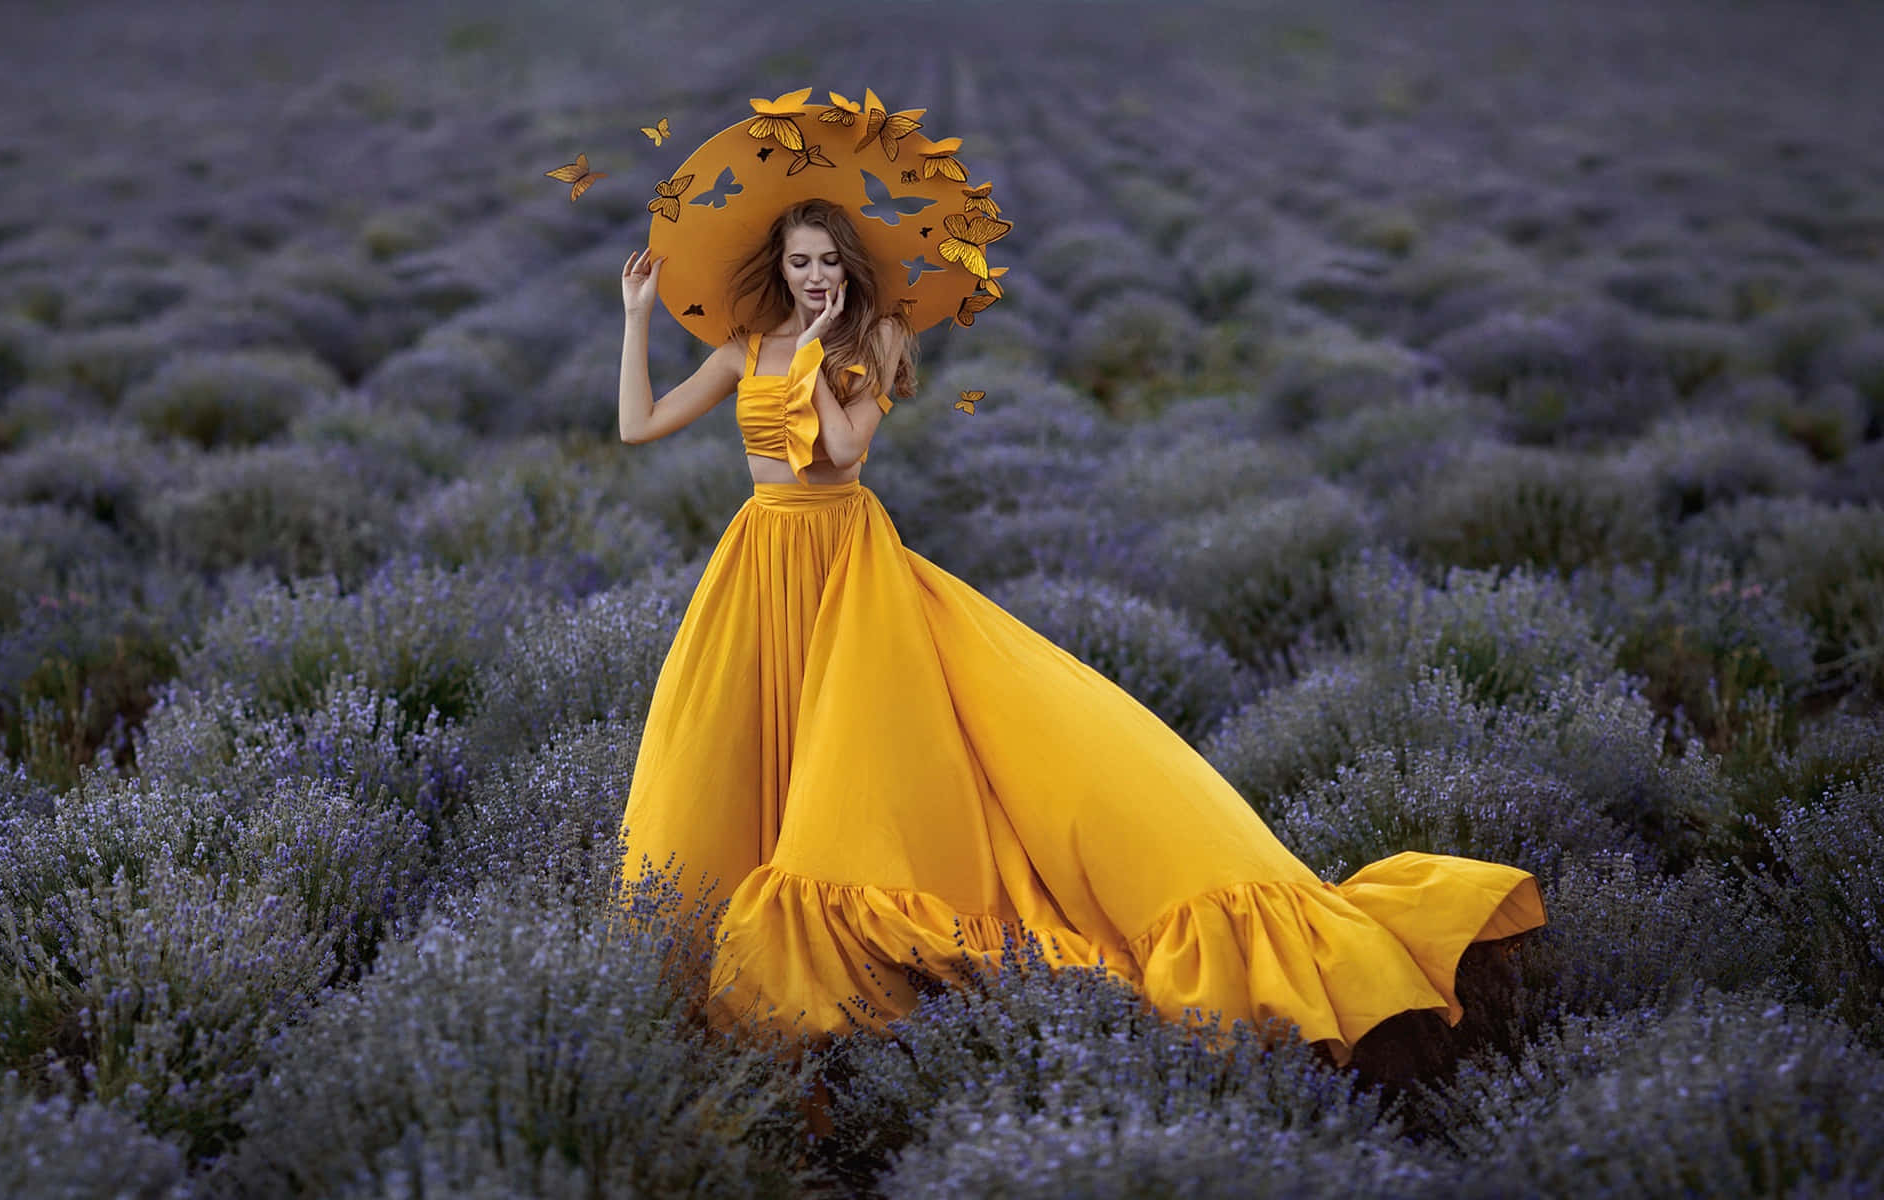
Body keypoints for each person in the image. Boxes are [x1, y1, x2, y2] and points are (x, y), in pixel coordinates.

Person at [610, 92, 1546, 1068]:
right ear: (779, 265)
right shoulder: (743, 348)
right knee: (739, 754)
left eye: (828, 261)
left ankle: (844, 982)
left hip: (846, 558)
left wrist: (815, 359)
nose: (813, 277)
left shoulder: (873, 341)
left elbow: (842, 451)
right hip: (758, 560)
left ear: (849, 266)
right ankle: (718, 987)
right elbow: (639, 426)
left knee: (863, 759)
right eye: (799, 262)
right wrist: (637, 319)